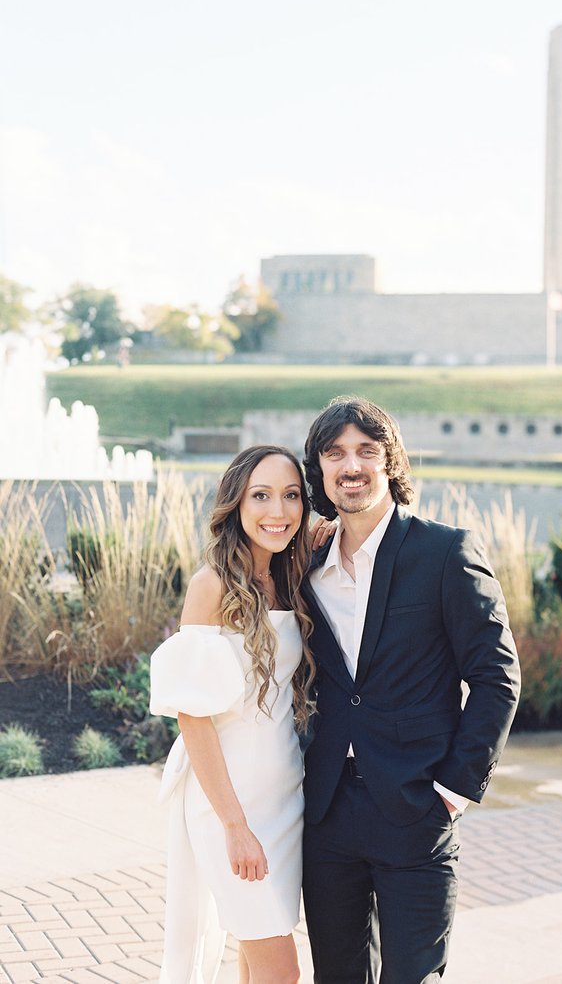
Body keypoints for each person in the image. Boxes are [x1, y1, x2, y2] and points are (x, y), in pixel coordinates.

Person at [301, 397, 521, 984]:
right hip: (326, 814)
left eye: (366, 452)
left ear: (390, 463)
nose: (351, 466)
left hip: (417, 807)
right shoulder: (304, 563)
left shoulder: (446, 552)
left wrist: (454, 789)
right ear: (319, 469)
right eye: (335, 453)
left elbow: (498, 676)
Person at [149, 445, 318, 984]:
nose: (279, 510)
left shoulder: (289, 577)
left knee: (255, 959)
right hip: (230, 803)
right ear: (236, 503)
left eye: (291, 496)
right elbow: (192, 717)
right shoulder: (212, 585)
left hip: (284, 798)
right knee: (281, 972)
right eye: (261, 495)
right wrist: (234, 826)